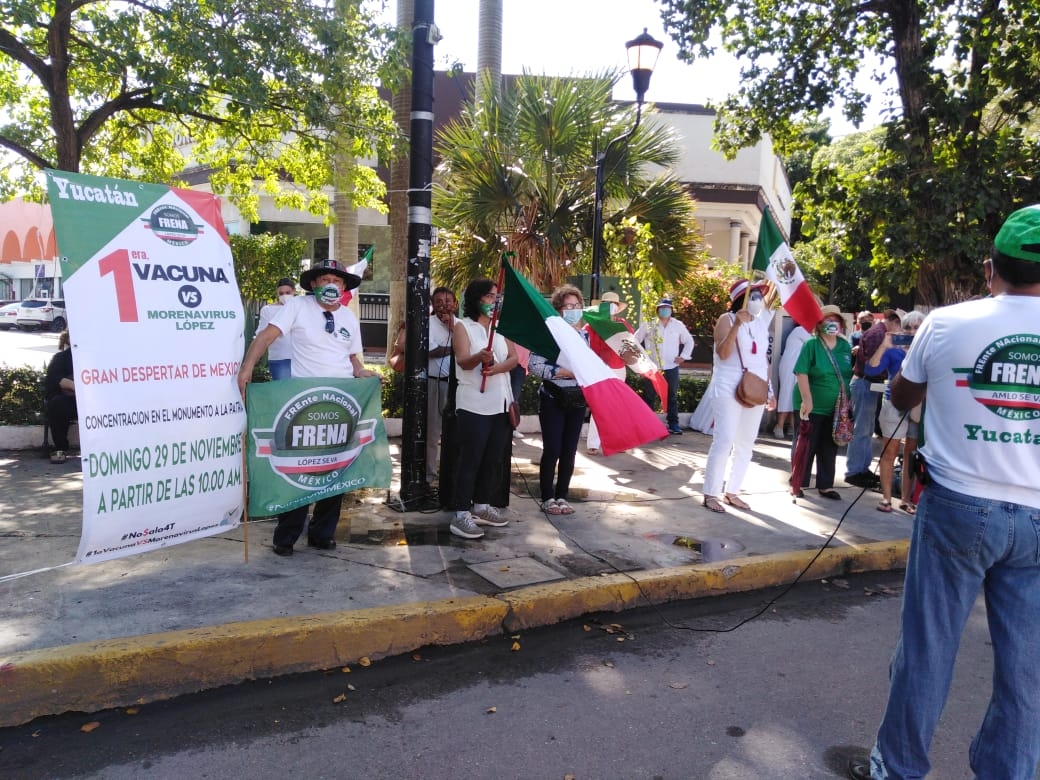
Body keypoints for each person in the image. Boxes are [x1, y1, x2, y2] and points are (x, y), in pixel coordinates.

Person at [856, 205, 1040, 780]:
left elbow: (903, 397)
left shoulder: (947, 323)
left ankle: (899, 769)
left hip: (956, 505)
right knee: (1028, 666)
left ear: (991, 270)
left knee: (927, 649)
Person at [237, 258, 378, 557]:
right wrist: (247, 367)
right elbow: (266, 336)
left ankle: (322, 533)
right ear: (313, 284)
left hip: (342, 404)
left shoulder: (349, 318)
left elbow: (353, 358)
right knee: (300, 470)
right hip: (305, 403)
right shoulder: (297, 307)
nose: (331, 285)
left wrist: (361, 370)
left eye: (336, 281)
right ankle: (286, 536)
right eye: (324, 279)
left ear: (343, 286)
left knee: (336, 469)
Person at [448, 277, 517, 539]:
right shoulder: (462, 327)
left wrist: (495, 367)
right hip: (474, 404)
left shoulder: (500, 328)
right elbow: (464, 361)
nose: (494, 301)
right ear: (477, 299)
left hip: (500, 403)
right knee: (471, 458)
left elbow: (512, 358)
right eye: (490, 296)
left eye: (497, 296)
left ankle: (482, 506)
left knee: (492, 458)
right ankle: (461, 513)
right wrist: (480, 357)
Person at [701, 279, 774, 513]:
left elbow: (763, 360)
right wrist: (736, 326)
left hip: (755, 387)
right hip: (728, 386)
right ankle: (711, 493)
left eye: (759, 296)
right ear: (740, 299)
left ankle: (732, 492)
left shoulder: (762, 323)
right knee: (724, 440)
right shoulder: (727, 319)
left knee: (746, 444)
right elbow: (723, 353)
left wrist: (769, 389)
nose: (758, 300)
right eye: (752, 296)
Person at [528, 284, 588, 515]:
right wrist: (565, 372)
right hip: (553, 397)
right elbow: (534, 365)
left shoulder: (583, 336)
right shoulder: (548, 335)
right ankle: (547, 497)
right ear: (559, 309)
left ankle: (562, 495)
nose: (573, 310)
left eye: (577, 306)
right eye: (568, 306)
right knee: (552, 449)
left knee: (569, 450)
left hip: (577, 399)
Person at [791, 305, 853, 500]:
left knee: (829, 445)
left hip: (836, 408)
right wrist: (807, 400)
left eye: (835, 320)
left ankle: (825, 485)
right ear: (819, 324)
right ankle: (798, 482)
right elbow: (802, 372)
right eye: (827, 320)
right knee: (806, 444)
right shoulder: (812, 345)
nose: (832, 324)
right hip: (811, 404)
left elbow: (848, 374)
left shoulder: (845, 347)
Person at [865, 310, 924, 513]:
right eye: (907, 327)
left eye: (917, 327)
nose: (911, 331)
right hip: (894, 406)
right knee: (889, 452)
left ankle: (906, 499)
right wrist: (883, 346)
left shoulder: (926, 350)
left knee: (912, 453)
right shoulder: (893, 351)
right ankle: (886, 498)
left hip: (918, 407)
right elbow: (871, 370)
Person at [845, 309, 902, 487]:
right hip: (864, 383)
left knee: (866, 429)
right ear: (893, 321)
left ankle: (861, 468)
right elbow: (874, 364)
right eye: (900, 325)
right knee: (861, 429)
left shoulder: (879, 333)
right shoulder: (878, 335)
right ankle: (854, 471)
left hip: (868, 383)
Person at [635, 296, 694, 435]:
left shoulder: (678, 325)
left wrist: (684, 356)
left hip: (671, 366)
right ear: (657, 310)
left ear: (672, 310)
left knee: (671, 395)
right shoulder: (649, 324)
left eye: (667, 308)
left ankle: (673, 424)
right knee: (650, 395)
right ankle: (647, 424)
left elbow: (689, 341)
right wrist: (643, 357)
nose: (665, 310)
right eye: (662, 308)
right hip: (652, 367)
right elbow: (635, 340)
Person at [585, 291, 633, 454]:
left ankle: (619, 441)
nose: (610, 307)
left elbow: (630, 346)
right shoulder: (591, 326)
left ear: (617, 307)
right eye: (607, 304)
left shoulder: (623, 324)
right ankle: (593, 443)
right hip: (598, 370)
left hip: (618, 369)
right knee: (599, 406)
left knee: (618, 406)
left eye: (613, 305)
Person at [426, 287, 457, 483]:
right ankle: (429, 476)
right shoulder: (427, 324)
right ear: (433, 305)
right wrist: (456, 347)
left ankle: (451, 478)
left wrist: (454, 328)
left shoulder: (462, 325)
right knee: (433, 433)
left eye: (448, 301)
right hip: (435, 384)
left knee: (455, 434)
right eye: (438, 301)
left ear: (455, 303)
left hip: (459, 385)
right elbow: (433, 351)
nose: (444, 305)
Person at [773, 323, 811, 439]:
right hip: (790, 366)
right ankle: (779, 426)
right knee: (787, 393)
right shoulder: (800, 330)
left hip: (800, 368)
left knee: (796, 396)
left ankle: (792, 426)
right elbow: (818, 343)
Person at [255, 277, 296, 380]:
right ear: (277, 294)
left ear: (294, 291)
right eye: (281, 293)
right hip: (279, 358)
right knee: (284, 393)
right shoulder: (268, 310)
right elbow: (261, 334)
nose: (284, 296)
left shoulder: (300, 308)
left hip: (300, 358)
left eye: (288, 292)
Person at [45, 329, 76, 464]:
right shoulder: (60, 358)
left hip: (91, 402)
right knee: (57, 404)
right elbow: (62, 382)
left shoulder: (94, 356)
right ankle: (60, 448)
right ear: (69, 340)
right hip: (70, 400)